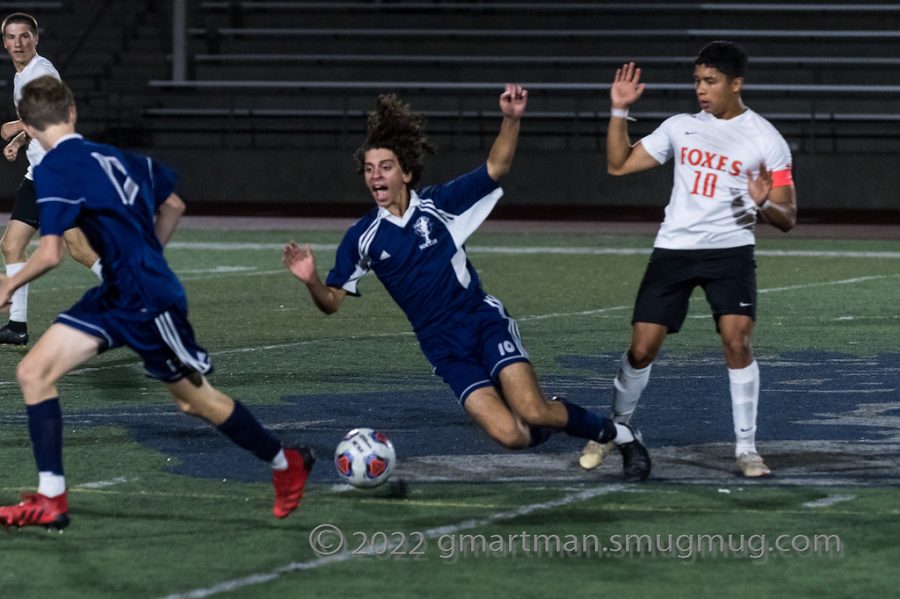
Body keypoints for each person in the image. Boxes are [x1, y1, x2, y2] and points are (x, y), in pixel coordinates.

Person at [283, 86, 651, 482]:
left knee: (532, 410)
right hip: (442, 347)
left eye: (385, 166)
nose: (376, 175)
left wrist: (511, 118)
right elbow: (332, 301)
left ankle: (619, 435)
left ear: (406, 172)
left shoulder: (439, 204)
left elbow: (496, 166)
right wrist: (312, 282)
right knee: (512, 436)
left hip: (481, 321)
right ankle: (563, 417)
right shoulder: (362, 237)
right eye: (370, 169)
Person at [0, 76, 314, 530]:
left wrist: (9, 286)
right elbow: (174, 205)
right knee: (33, 372)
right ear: (72, 113)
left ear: (27, 126)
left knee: (194, 401)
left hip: (147, 301)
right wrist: (148, 257)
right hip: (119, 293)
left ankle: (287, 462)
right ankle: (52, 498)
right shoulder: (116, 156)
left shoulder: (52, 170)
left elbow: (49, 254)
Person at [579, 41, 797, 477]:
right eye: (697, 80)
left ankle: (746, 449)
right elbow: (619, 165)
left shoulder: (767, 140)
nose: (701, 89)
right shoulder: (680, 126)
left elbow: (787, 216)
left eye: (711, 81)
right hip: (674, 250)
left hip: (730, 253)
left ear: (736, 84)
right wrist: (619, 111)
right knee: (641, 350)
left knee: (737, 342)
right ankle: (615, 433)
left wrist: (763, 205)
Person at [0, 12, 101, 346]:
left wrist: (15, 127)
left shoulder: (41, 71)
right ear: (4, 43)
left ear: (36, 39)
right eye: (12, 37)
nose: (19, 43)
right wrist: (18, 142)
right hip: (39, 172)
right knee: (11, 245)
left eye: (25, 36)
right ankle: (17, 326)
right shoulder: (22, 76)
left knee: (78, 248)